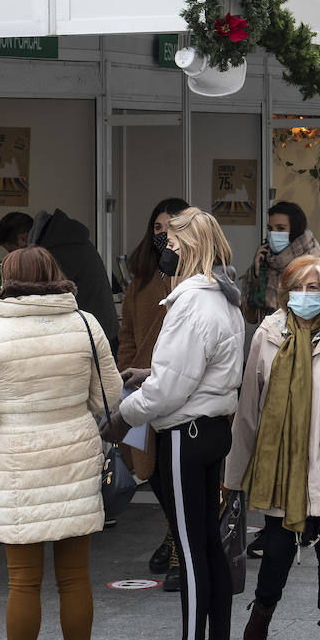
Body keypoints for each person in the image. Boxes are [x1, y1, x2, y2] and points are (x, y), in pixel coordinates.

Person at [104, 206, 245, 640]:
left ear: (188, 250)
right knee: (207, 544)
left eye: (171, 243)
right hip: (213, 429)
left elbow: (170, 390)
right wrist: (151, 374)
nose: (163, 250)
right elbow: (198, 371)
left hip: (187, 433)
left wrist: (124, 415)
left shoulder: (191, 303)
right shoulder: (224, 299)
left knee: (190, 549)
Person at [0, 244, 123, 640]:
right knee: (75, 575)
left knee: (22, 580)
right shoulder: (85, 325)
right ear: (54, 274)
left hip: (17, 460)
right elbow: (110, 397)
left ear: (7, 281)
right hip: (75, 454)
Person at [225, 255, 320, 640]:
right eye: (297, 287)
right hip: (278, 463)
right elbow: (249, 407)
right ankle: (263, 608)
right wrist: (234, 474)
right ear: (285, 292)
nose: (305, 296)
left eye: (314, 288)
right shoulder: (268, 332)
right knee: (278, 546)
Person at [118, 196, 189, 589]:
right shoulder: (139, 280)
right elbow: (127, 334)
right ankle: (173, 534)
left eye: (172, 228)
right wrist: (123, 379)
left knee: (180, 476)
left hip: (184, 395)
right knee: (155, 473)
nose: (164, 236)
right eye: (158, 228)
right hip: (142, 394)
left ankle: (180, 548)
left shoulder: (197, 280)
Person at [29, 209, 119, 351]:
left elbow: (47, 302)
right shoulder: (76, 242)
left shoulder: (57, 253)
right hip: (102, 329)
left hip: (92, 337)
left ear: (24, 239)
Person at [242, 200, 320, 324]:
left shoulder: (313, 266)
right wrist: (257, 275)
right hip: (270, 339)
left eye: (280, 228)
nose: (273, 234)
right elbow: (251, 317)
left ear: (295, 231)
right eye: (270, 228)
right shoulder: (265, 261)